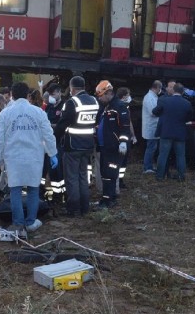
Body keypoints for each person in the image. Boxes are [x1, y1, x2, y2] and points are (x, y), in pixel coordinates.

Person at [0, 82, 58, 236]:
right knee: (33, 189)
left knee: (15, 189)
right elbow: (48, 134)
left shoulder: (5, 114)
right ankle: (31, 222)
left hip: (14, 158)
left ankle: (18, 224)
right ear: (28, 95)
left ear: (12, 95)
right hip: (34, 156)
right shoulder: (38, 112)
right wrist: (52, 153)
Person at [54, 76, 98, 217]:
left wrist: (54, 137)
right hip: (88, 145)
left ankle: (74, 209)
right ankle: (85, 207)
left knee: (72, 178)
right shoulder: (94, 101)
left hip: (73, 146)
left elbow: (63, 124)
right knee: (83, 177)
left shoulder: (72, 102)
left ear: (72, 88)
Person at [94, 80, 130, 208]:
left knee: (110, 174)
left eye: (101, 96)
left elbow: (125, 127)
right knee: (105, 173)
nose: (100, 98)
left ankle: (108, 200)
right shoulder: (106, 106)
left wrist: (123, 142)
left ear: (108, 93)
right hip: (105, 147)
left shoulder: (119, 106)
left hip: (114, 147)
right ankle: (108, 198)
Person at [153, 83, 192, 181]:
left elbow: (155, 112)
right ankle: (181, 176)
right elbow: (189, 118)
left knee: (163, 155)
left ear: (173, 90)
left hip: (166, 132)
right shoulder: (187, 103)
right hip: (180, 133)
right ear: (183, 92)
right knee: (180, 156)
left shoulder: (165, 101)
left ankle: (159, 176)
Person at [44, 83, 65, 205]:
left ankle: (60, 196)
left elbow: (62, 125)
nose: (51, 97)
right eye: (50, 94)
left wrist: (50, 126)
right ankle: (53, 195)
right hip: (48, 142)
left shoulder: (64, 106)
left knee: (59, 171)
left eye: (53, 94)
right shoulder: (49, 107)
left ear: (59, 93)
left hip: (59, 142)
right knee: (50, 171)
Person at [116, 87, 136, 189]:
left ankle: (120, 180)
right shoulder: (119, 107)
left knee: (123, 161)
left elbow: (129, 122)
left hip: (126, 137)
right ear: (124, 96)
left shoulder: (125, 107)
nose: (129, 96)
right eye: (128, 94)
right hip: (121, 137)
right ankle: (117, 181)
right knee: (120, 160)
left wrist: (133, 135)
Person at [142, 80, 162, 174]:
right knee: (151, 148)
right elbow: (153, 112)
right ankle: (147, 167)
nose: (160, 90)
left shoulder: (152, 97)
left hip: (153, 126)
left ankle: (149, 166)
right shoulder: (149, 97)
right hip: (151, 127)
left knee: (152, 147)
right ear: (157, 87)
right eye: (160, 88)